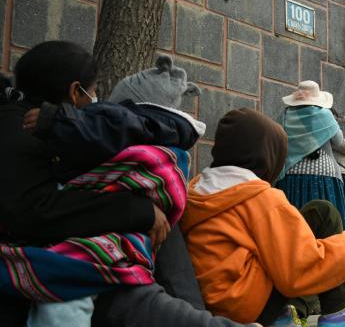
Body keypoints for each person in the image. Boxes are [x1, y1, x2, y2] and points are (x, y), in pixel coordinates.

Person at [0, 41, 248, 327]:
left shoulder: (44, 128)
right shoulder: (19, 133)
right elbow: (33, 211)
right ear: (74, 91)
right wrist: (136, 210)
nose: (94, 100)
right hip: (57, 267)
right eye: (92, 93)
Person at [181, 108, 345, 327]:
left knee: (319, 211)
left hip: (214, 303)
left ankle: (288, 315)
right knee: (324, 227)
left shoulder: (195, 190)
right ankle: (338, 320)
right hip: (248, 307)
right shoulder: (260, 198)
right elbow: (298, 271)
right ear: (267, 156)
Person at [275, 80, 345, 229]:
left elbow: (278, 138)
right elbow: (338, 140)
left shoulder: (284, 115)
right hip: (323, 175)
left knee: (293, 223)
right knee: (325, 223)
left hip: (291, 173)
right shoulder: (324, 115)